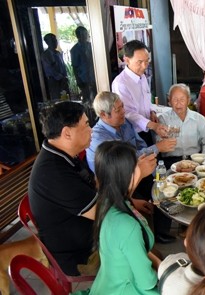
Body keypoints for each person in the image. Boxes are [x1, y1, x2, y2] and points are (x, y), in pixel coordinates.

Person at [86, 91, 177, 243]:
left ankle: (162, 231)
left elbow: (140, 144)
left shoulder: (125, 123)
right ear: (103, 115)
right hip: (115, 183)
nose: (123, 112)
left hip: (136, 170)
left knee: (162, 184)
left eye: (122, 107)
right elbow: (126, 160)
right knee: (145, 201)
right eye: (118, 110)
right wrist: (157, 148)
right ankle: (141, 240)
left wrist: (153, 167)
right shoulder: (98, 137)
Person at [28, 101, 96, 276]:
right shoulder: (53, 172)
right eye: (87, 124)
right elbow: (103, 211)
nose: (91, 130)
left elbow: (94, 184)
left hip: (87, 235)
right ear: (67, 133)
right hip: (80, 256)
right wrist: (137, 176)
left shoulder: (64, 155)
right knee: (138, 245)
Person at [88, 141, 159, 294]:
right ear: (127, 175)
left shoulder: (106, 201)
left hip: (108, 283)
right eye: (136, 166)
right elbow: (147, 282)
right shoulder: (127, 225)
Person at [112, 40, 167, 147]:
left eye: (147, 61)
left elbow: (146, 99)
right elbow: (127, 113)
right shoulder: (121, 83)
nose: (144, 66)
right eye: (140, 62)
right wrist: (153, 126)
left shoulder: (142, 77)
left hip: (147, 129)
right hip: (133, 134)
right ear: (127, 60)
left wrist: (152, 111)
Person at [158, 83, 205, 168]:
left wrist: (203, 160)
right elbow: (158, 143)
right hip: (171, 162)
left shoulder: (199, 119)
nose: (178, 103)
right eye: (175, 99)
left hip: (195, 160)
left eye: (182, 99)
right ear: (169, 101)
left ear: (188, 100)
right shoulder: (163, 119)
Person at [70, 26, 97, 105]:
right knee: (87, 100)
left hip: (94, 78)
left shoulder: (92, 46)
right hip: (83, 79)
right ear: (78, 36)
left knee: (96, 98)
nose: (86, 36)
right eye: (83, 34)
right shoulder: (74, 50)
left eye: (86, 34)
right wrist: (78, 80)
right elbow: (74, 66)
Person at [41, 33, 68, 101]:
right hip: (54, 80)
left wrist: (65, 77)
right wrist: (61, 78)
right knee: (57, 100)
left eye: (55, 40)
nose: (55, 42)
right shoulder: (46, 54)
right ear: (47, 42)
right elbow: (51, 69)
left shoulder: (58, 53)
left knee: (65, 98)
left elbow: (63, 66)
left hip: (62, 80)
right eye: (52, 40)